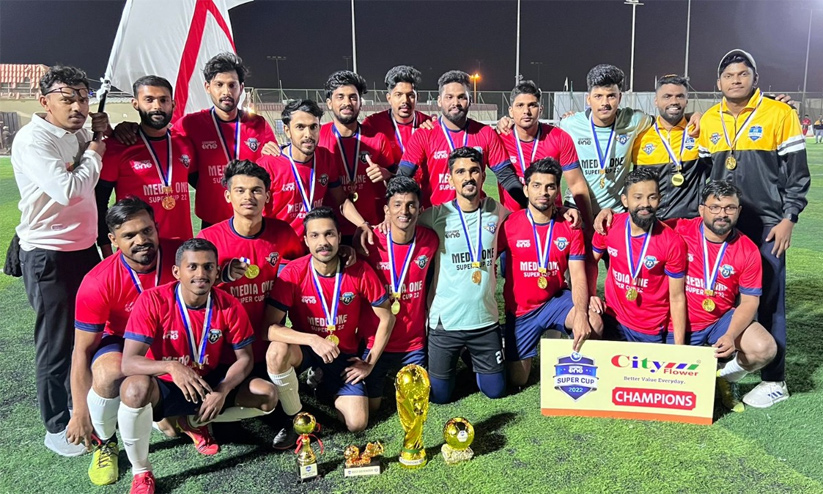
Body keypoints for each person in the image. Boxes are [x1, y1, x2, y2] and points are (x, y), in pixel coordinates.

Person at [118, 239, 279, 494]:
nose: (201, 274)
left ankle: (192, 420)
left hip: (208, 380)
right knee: (133, 389)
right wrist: (171, 367)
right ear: (176, 271)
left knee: (267, 395)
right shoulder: (153, 300)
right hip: (167, 384)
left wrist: (223, 389)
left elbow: (245, 358)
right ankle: (141, 471)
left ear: (217, 271)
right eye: (192, 267)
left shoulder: (229, 304)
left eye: (208, 267)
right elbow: (128, 362)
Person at [697, 49, 810, 407]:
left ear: (755, 79)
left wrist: (789, 217)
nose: (735, 80)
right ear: (718, 82)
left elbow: (797, 173)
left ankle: (775, 380)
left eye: (742, 74)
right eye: (728, 75)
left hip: (766, 225)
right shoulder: (709, 119)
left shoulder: (779, 114)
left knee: (770, 301)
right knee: (720, 294)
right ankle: (723, 362)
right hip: (722, 225)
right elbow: (705, 175)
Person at [12, 65, 109, 456]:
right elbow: (70, 190)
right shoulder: (33, 140)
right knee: (56, 343)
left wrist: (98, 135)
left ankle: (80, 403)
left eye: (83, 98)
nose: (78, 107)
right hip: (48, 254)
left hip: (83, 250)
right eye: (67, 98)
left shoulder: (78, 133)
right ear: (45, 101)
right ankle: (56, 423)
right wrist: (96, 150)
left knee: (87, 334)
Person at [68, 198, 178, 485]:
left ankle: (166, 413)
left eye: (147, 231)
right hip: (121, 339)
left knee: (175, 429)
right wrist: (80, 411)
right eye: (129, 235)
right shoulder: (97, 281)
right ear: (113, 240)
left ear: (156, 227)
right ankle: (105, 442)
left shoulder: (181, 256)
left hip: (172, 335)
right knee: (108, 373)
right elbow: (82, 351)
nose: (141, 241)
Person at [264, 207, 395, 432]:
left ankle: (322, 382)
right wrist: (313, 339)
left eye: (329, 234)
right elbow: (269, 328)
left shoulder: (359, 270)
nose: (323, 242)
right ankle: (293, 416)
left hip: (343, 354)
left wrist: (369, 363)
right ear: (306, 240)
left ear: (339, 237)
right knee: (276, 351)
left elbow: (387, 317)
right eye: (315, 235)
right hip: (307, 349)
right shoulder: (293, 272)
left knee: (357, 423)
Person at [114, 53, 278, 229]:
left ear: (241, 88)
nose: (226, 92)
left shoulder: (258, 124)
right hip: (213, 220)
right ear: (207, 87)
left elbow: (273, 167)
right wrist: (127, 128)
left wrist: (275, 154)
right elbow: (158, 136)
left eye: (232, 85)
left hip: (252, 217)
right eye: (219, 85)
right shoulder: (190, 124)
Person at [667, 181, 777, 412]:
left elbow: (749, 301)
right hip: (674, 323)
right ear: (701, 209)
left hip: (717, 322)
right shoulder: (678, 229)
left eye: (730, 208)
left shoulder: (747, 249)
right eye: (715, 207)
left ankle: (724, 376)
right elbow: (638, 225)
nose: (722, 214)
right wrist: (607, 213)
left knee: (764, 348)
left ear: (739, 211)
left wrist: (730, 335)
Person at [499, 158, 602, 387]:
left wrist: (582, 314)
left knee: (594, 322)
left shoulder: (570, 226)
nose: (543, 192)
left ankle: (576, 368)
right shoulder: (508, 225)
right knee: (517, 380)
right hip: (522, 311)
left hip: (556, 301)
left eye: (550, 186)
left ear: (557, 190)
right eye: (536, 186)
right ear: (525, 189)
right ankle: (504, 342)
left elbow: (578, 275)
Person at [419, 146, 509, 403]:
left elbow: (529, 219)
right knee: (439, 397)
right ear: (450, 179)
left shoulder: (497, 211)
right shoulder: (435, 216)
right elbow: (402, 226)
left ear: (483, 176)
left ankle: (473, 356)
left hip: (484, 322)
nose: (468, 177)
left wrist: (562, 211)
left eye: (474, 171)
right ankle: (460, 354)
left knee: (495, 392)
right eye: (460, 172)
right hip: (445, 322)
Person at [360, 176, 439, 410]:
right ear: (386, 210)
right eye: (397, 205)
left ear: (420, 209)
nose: (404, 211)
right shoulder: (369, 243)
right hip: (375, 342)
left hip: (413, 345)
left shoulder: (430, 241)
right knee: (372, 408)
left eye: (411, 205)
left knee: (416, 407)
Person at [398, 70, 527, 209]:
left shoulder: (486, 133)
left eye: (461, 97)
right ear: (439, 101)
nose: (455, 102)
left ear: (470, 100)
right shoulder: (423, 134)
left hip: (475, 215)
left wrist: (529, 205)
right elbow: (402, 177)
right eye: (449, 97)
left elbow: (506, 177)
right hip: (436, 216)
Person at [96, 75, 194, 257]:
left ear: (173, 104)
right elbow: (99, 203)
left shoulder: (184, 143)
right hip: (138, 249)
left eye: (163, 100)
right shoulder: (117, 146)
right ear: (135, 104)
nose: (157, 106)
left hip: (182, 248)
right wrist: (107, 250)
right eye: (149, 100)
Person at [590, 168, 688, 344]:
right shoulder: (609, 226)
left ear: (660, 199)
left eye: (652, 197)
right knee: (587, 322)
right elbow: (590, 262)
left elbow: (677, 297)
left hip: (649, 329)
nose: (645, 204)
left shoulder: (672, 241)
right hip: (613, 318)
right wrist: (590, 294)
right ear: (625, 200)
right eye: (638, 197)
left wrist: (679, 349)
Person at [258, 98, 375, 245]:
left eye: (313, 127)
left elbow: (341, 200)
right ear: (287, 131)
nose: (308, 134)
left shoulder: (325, 158)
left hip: (316, 248)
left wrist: (362, 224)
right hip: (279, 250)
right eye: (300, 127)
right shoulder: (267, 165)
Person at [556, 64, 653, 217]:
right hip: (577, 210)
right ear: (588, 99)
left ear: (620, 97)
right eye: (598, 96)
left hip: (615, 212)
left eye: (611, 96)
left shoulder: (634, 120)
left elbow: (666, 123)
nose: (604, 103)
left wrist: (691, 116)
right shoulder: (570, 124)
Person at [496, 80, 592, 224]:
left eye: (532, 105)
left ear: (540, 109)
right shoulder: (498, 139)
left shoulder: (560, 138)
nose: (526, 111)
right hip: (512, 222)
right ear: (510, 111)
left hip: (552, 220)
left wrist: (589, 224)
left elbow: (576, 184)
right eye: (520, 105)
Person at [318, 70, 394, 241]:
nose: (347, 103)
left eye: (353, 97)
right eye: (340, 97)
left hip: (371, 228)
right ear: (329, 103)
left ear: (360, 103)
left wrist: (387, 175)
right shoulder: (318, 138)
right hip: (330, 231)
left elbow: (395, 184)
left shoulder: (378, 139)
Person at [631, 74, 704, 220]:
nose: (674, 101)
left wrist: (699, 115)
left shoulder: (699, 131)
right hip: (651, 222)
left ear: (686, 100)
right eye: (667, 96)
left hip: (689, 222)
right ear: (656, 101)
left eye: (680, 96)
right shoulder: (640, 135)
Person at [361, 65, 434, 167]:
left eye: (410, 95)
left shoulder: (429, 124)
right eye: (398, 95)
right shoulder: (373, 124)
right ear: (389, 98)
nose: (405, 100)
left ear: (417, 98)